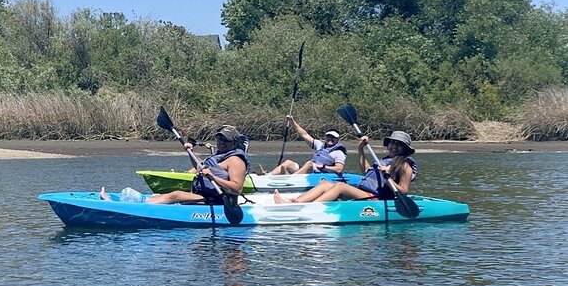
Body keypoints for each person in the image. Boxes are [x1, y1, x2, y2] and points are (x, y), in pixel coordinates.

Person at [100, 125, 250, 205]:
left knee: (176, 194)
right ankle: (139, 201)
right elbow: (200, 166)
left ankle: (137, 205)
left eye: (226, 140)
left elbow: (237, 188)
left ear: (235, 143)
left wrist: (213, 177)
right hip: (204, 196)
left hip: (220, 201)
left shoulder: (236, 161)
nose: (221, 143)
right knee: (167, 195)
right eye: (219, 139)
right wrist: (190, 152)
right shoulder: (218, 155)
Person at [274, 130, 418, 204]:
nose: (393, 146)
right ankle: (296, 202)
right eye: (392, 143)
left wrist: (388, 178)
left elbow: (403, 191)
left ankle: (308, 207)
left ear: (404, 148)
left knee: (341, 186)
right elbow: (367, 171)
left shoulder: (405, 165)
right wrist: (360, 148)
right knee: (325, 183)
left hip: (378, 198)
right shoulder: (385, 160)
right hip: (366, 192)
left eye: (398, 144)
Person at [267, 115, 346, 175]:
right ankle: (269, 175)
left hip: (321, 172)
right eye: (329, 136)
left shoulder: (339, 152)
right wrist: (292, 122)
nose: (330, 139)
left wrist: (323, 166)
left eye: (333, 137)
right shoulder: (319, 145)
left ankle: (292, 178)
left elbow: (339, 169)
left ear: (337, 139)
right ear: (325, 137)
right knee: (288, 162)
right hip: (310, 171)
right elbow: (304, 135)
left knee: (310, 164)